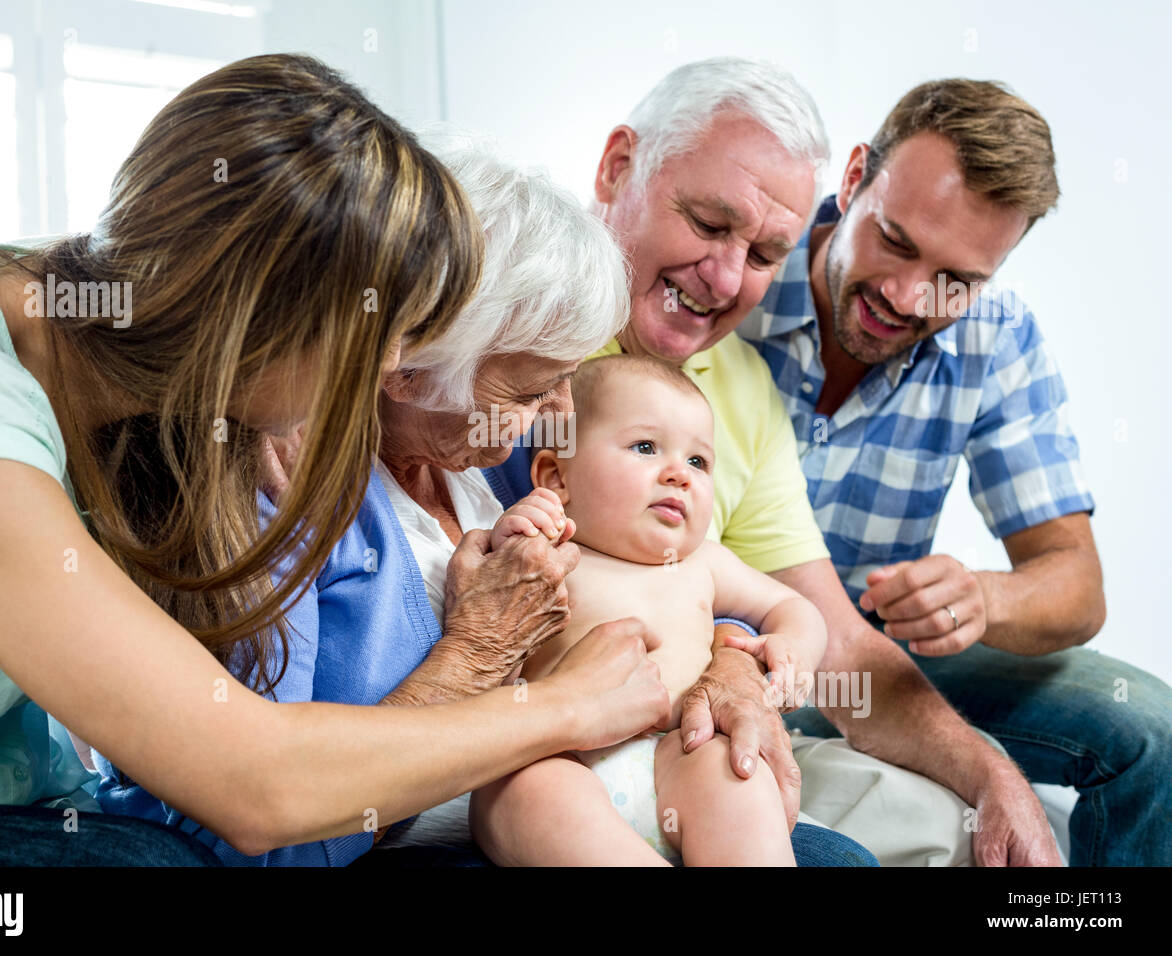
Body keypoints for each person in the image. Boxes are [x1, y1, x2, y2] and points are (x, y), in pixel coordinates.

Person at [0, 53, 667, 865]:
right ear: (264, 320)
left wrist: (240, 396)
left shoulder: (135, 334)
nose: (391, 366)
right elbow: (255, 791)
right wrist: (563, 705)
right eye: (378, 334)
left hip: (21, 801)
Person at [97, 139, 876, 866]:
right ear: (409, 365)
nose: (557, 413)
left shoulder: (480, 463)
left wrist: (732, 664)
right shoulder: (278, 492)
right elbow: (255, 827)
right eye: (534, 387)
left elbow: (645, 575)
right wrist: (473, 657)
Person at [487, 57, 1058, 865]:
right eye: (709, 223)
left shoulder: (744, 385)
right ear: (619, 168)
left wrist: (992, 778)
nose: (724, 278)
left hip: (679, 750)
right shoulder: (507, 320)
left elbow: (819, 626)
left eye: (762, 255)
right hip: (526, 760)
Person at [737, 78, 1172, 866]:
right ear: (855, 176)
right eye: (895, 241)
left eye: (958, 281)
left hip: (877, 653)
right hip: (733, 642)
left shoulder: (997, 338)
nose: (907, 296)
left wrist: (982, 598)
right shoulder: (739, 277)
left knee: (1152, 734)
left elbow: (1078, 583)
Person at [471, 354, 827, 866]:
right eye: (645, 447)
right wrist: (508, 539)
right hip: (556, 755)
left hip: (680, 752)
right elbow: (478, 615)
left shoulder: (705, 562)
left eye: (698, 462)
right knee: (525, 788)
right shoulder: (544, 550)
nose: (679, 475)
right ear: (556, 477)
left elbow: (794, 607)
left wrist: (790, 645)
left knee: (738, 773)